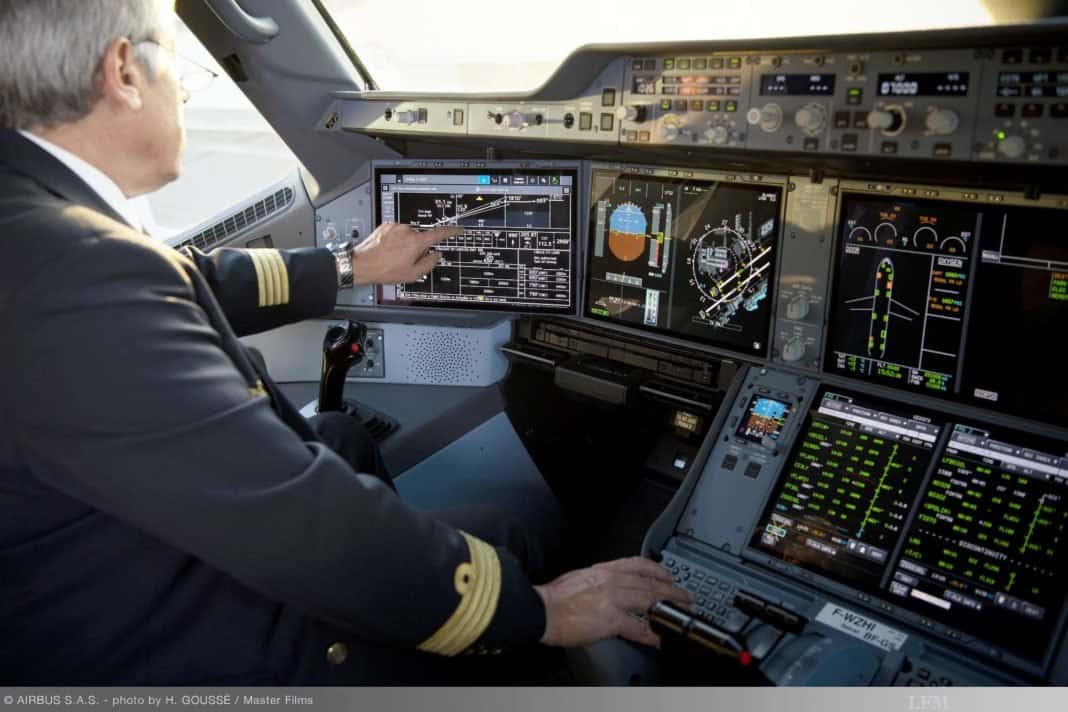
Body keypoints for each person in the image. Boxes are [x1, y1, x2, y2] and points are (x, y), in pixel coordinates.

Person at [0, 0, 690, 684]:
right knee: (505, 541)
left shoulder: (35, 222)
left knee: (338, 433)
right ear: (122, 71)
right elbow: (296, 524)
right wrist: (539, 611)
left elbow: (194, 279)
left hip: (87, 588)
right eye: (176, 65)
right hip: (160, 651)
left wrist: (352, 265)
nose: (180, 89)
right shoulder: (74, 270)